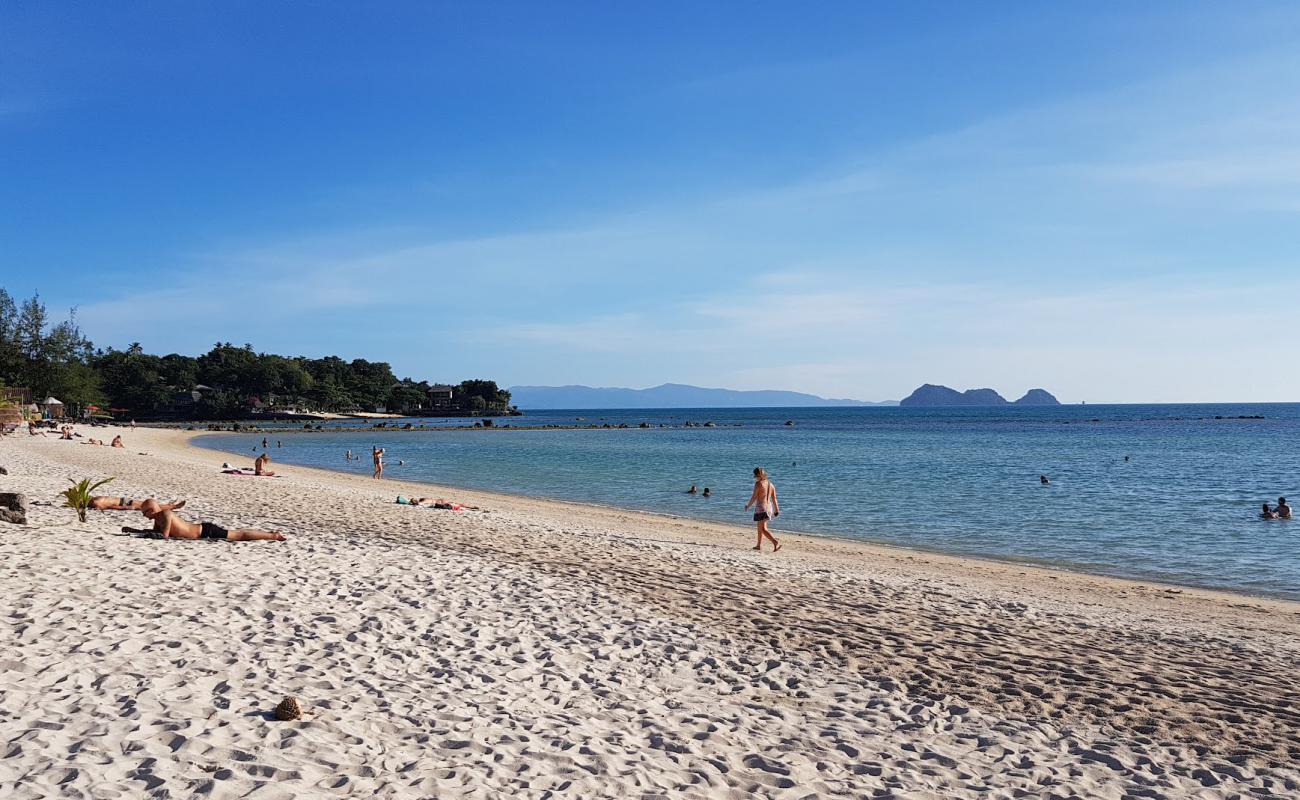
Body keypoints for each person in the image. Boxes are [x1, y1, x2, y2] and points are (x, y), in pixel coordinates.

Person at [123, 499, 285, 541]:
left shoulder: (165, 515)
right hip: (201, 532)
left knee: (239, 535)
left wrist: (140, 534)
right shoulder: (158, 517)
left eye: (144, 513)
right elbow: (155, 532)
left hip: (206, 531)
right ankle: (271, 535)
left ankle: (273, 535)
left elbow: (163, 536)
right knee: (238, 534)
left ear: (152, 510)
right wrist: (133, 530)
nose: (144, 516)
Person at [744, 467, 781, 552]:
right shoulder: (770, 484)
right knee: (761, 527)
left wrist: (748, 506)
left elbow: (754, 497)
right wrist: (777, 510)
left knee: (762, 529)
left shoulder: (758, 484)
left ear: (758, 475)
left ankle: (775, 542)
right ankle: (758, 545)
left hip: (761, 508)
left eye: (756, 475)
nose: (755, 477)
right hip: (769, 508)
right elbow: (774, 498)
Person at [91, 496, 186, 512]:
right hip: (124, 502)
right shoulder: (96, 502)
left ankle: (171, 505)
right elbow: (111, 506)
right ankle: (173, 506)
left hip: (124, 500)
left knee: (150, 504)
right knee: (150, 506)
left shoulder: (93, 500)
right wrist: (126, 508)